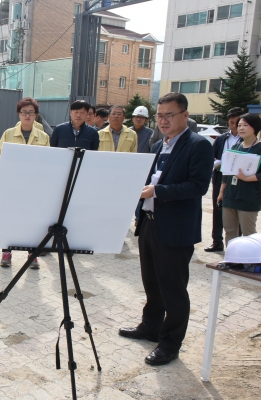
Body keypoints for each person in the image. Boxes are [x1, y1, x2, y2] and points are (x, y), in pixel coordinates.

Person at [120, 92, 213, 366]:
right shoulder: (158, 145)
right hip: (149, 225)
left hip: (176, 229)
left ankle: (170, 343)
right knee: (152, 283)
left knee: (173, 289)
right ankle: (150, 326)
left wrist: (157, 191)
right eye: (160, 115)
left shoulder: (199, 145)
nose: (163, 120)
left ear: (185, 115)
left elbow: (198, 186)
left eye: (169, 115)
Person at [0, 97, 50, 269]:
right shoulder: (9, 134)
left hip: (34, 186)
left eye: (31, 112)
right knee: (10, 219)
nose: (27, 115)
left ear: (36, 115)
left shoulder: (43, 136)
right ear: (19, 114)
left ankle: (32, 254)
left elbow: (48, 160)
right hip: (13, 185)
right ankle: (7, 252)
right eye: (24, 112)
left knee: (33, 221)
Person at [217, 113, 261, 247]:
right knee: (230, 231)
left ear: (255, 127)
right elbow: (226, 172)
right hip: (230, 196)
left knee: (248, 233)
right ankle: (231, 259)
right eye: (239, 125)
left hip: (249, 197)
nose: (241, 128)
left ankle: (250, 262)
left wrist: (247, 178)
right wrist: (221, 192)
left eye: (245, 125)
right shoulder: (235, 148)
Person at [205, 107, 245, 252]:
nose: (234, 125)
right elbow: (212, 156)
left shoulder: (245, 139)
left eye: (238, 122)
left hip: (238, 177)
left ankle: (238, 243)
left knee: (236, 209)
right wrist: (217, 162)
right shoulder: (222, 138)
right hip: (220, 175)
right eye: (231, 122)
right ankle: (217, 241)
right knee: (217, 208)